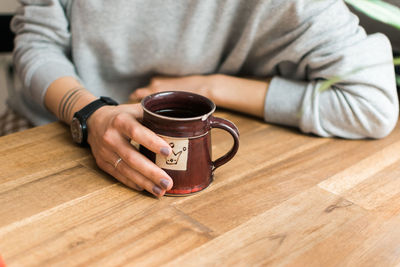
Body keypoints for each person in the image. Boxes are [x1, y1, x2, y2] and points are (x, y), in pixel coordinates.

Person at [10, 0, 399, 197]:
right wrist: (90, 113)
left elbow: (372, 104)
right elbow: (36, 42)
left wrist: (214, 88)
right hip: (49, 126)